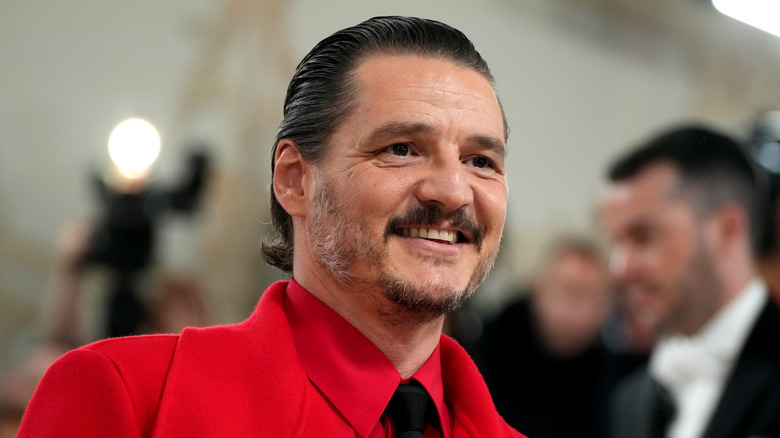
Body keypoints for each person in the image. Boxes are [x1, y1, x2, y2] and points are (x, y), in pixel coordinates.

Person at [18, 16, 525, 437]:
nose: (455, 191)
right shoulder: (124, 397)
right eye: (402, 149)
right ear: (294, 180)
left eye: (481, 161)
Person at [602, 125, 780, 438]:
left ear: (726, 231)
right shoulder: (630, 400)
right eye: (617, 242)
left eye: (644, 238)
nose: (620, 269)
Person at [476, 236, 634, 437]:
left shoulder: (618, 381)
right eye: (564, 291)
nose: (572, 311)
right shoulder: (484, 351)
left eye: (588, 296)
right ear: (537, 290)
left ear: (608, 308)